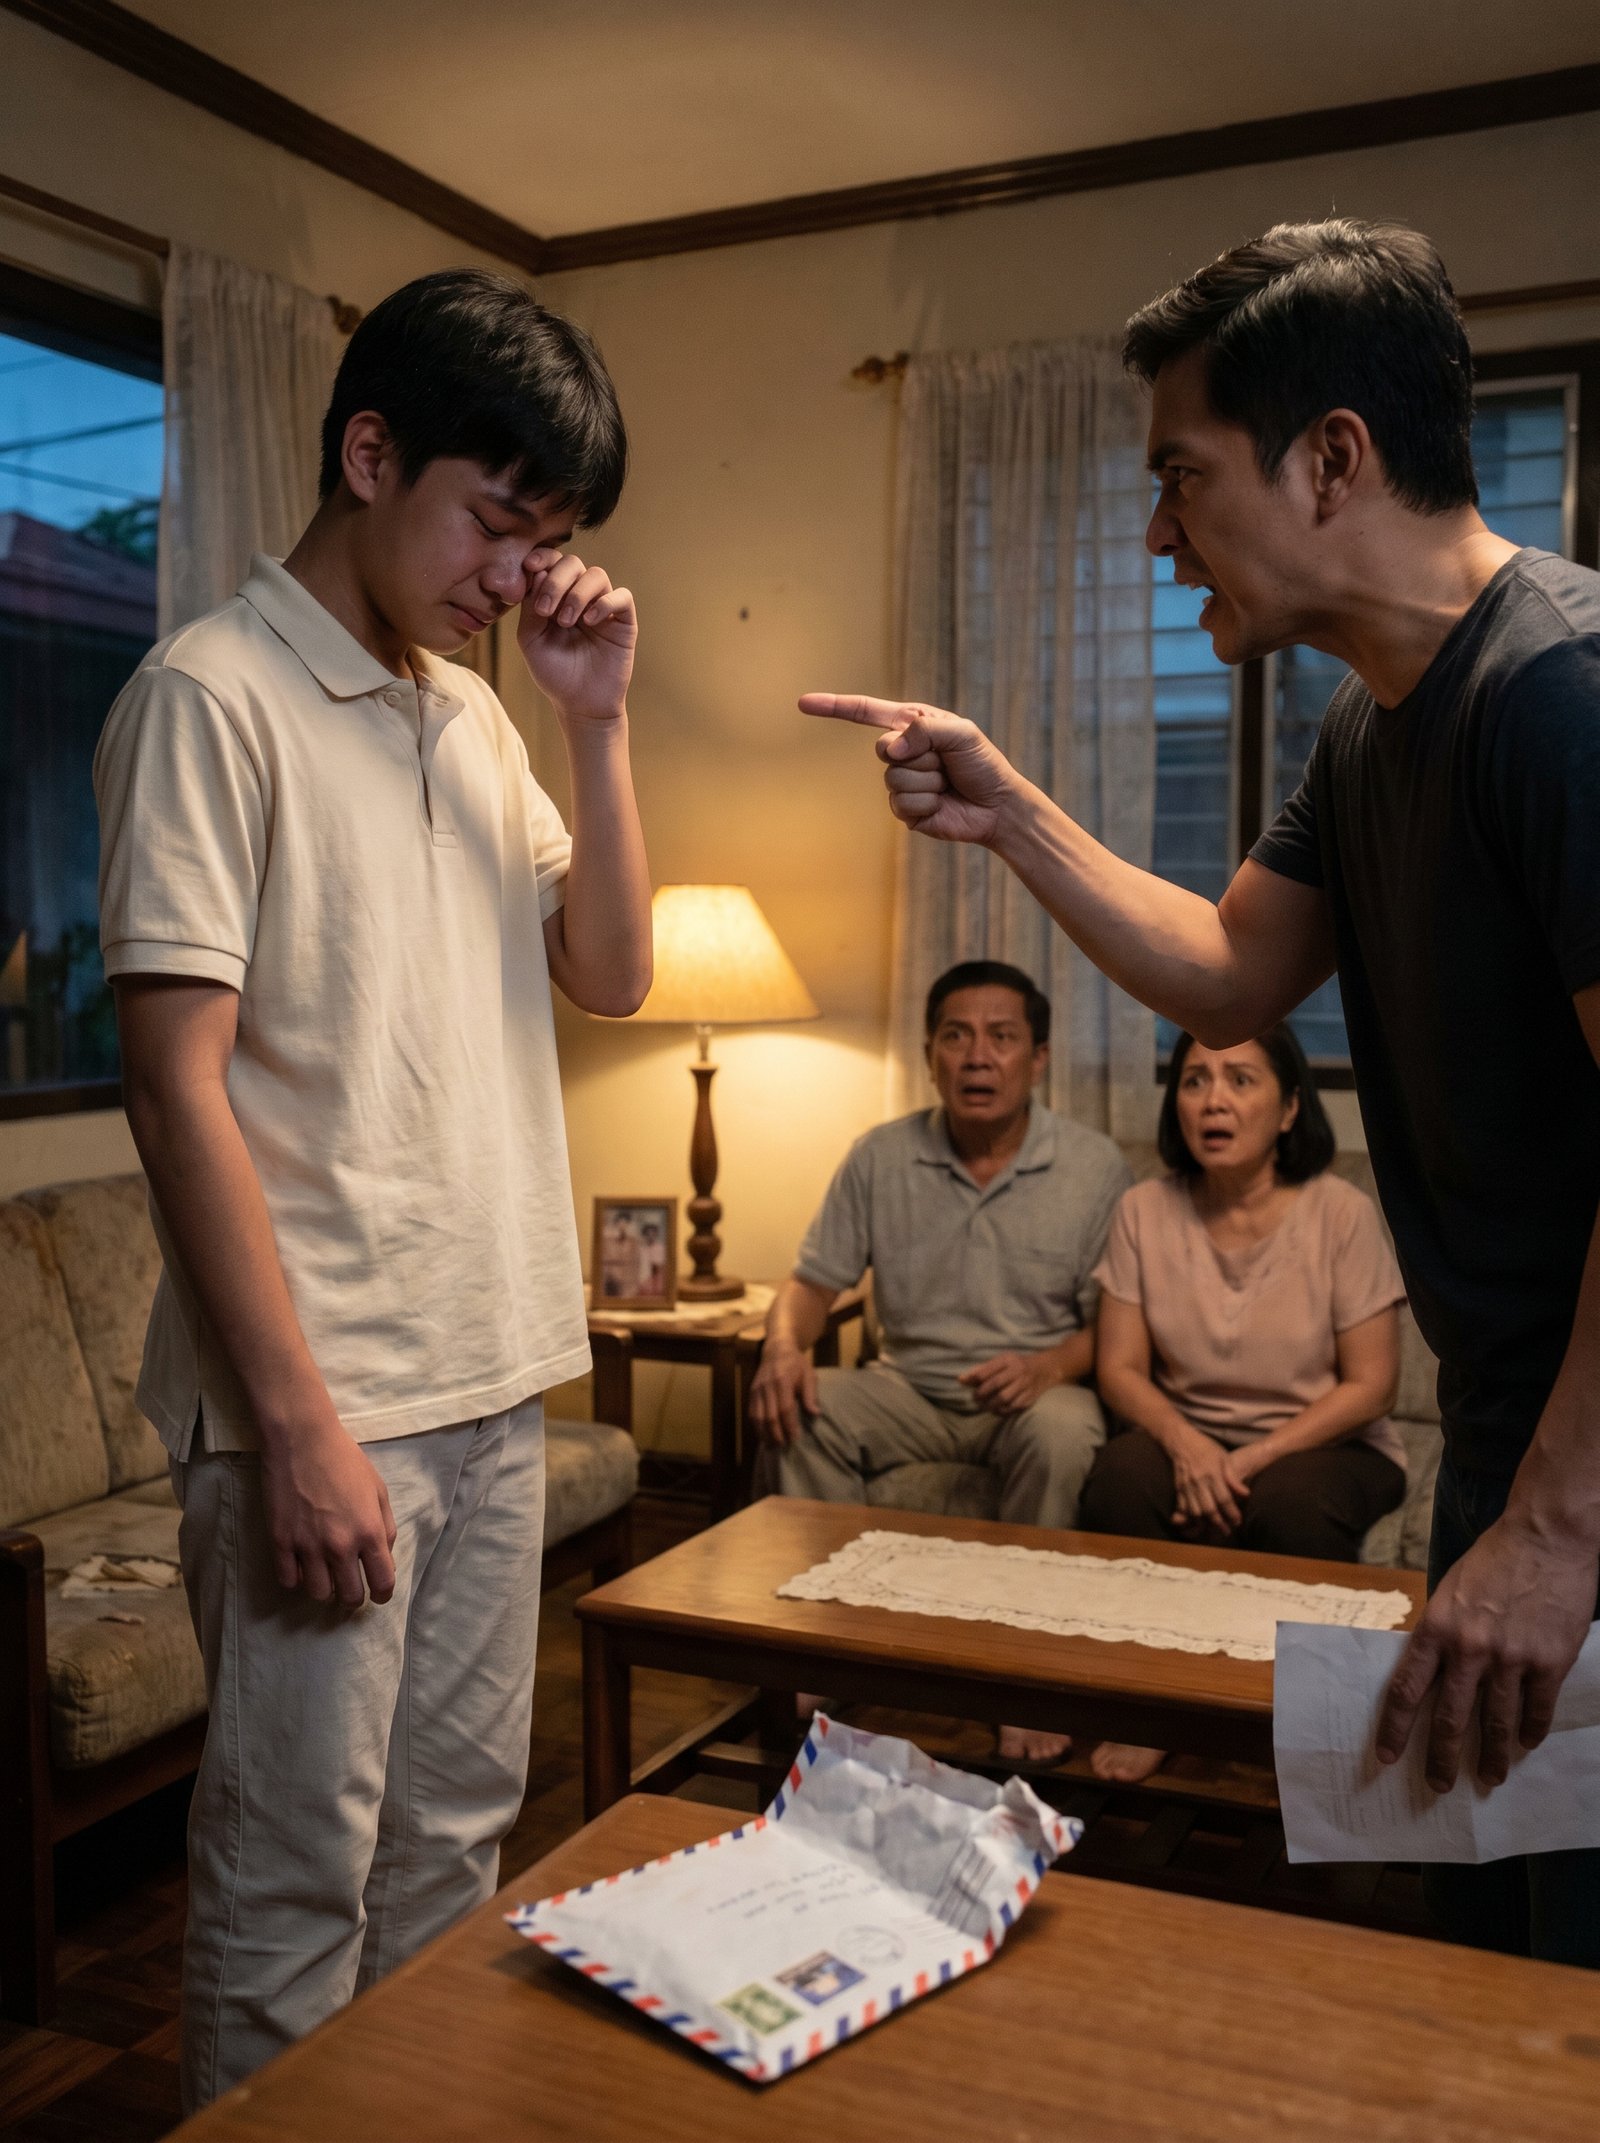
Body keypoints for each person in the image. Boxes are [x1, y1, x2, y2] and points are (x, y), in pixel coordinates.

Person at [802, 217, 1600, 1965]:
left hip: (1585, 1462)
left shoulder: (1561, 694)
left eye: (1181, 475)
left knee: (1567, 1976)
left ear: (1332, 458)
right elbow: (1231, 963)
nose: (1158, 533)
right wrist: (1011, 811)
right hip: (1518, 1429)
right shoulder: (1369, 723)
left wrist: (1557, 1525)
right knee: (1491, 1944)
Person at [95, 269, 651, 2106]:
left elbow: (612, 971)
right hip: (324, 1404)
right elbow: (174, 1088)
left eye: (546, 539)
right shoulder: (211, 694)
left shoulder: (478, 716)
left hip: (492, 1373)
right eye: (495, 521)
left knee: (451, 1855)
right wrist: (296, 1425)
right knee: (288, 1889)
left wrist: (596, 719)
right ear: (368, 453)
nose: (517, 573)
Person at [749, 958, 1130, 1761]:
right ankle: (829, 1647)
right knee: (805, 1407)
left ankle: (1024, 1672)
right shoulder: (879, 1156)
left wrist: (1048, 1367)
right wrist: (783, 1344)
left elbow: (1116, 1329)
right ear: (929, 1055)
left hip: (1033, 1392)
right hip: (908, 1388)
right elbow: (813, 1281)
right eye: (956, 1036)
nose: (977, 1056)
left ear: (1038, 1058)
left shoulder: (1094, 1166)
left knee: (1064, 1434)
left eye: (1001, 1037)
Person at [1080, 1024, 1404, 1781]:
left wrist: (1250, 1458)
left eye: (1240, 1080)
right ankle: (1154, 1706)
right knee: (1119, 1479)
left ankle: (1310, 1726)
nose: (1213, 1100)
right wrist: (1189, 1445)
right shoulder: (1143, 1209)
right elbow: (1119, 1369)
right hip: (1190, 1433)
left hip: (1325, 1443)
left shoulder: (1341, 1212)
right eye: (1195, 1080)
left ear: (1289, 1108)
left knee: (1291, 1504)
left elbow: (1372, 1385)